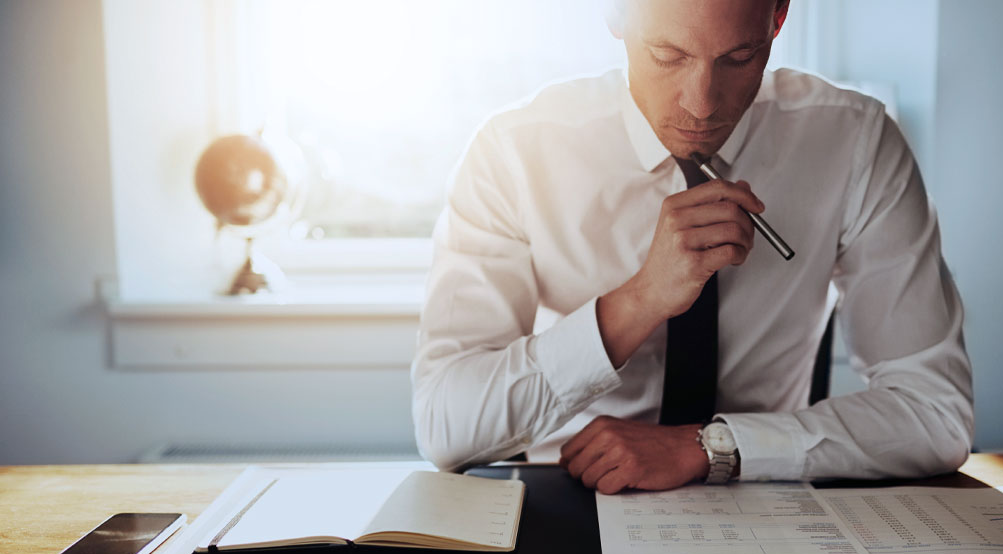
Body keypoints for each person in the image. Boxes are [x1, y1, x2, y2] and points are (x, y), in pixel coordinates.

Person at [411, 0, 973, 494]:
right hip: (567, 495)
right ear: (616, 13)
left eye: (739, 57)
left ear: (779, 18)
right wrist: (639, 301)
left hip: (764, 498)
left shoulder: (856, 142)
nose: (702, 105)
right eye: (667, 55)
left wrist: (712, 448)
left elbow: (935, 413)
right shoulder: (513, 152)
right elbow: (445, 425)